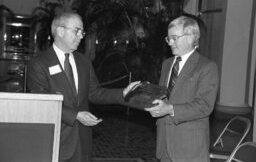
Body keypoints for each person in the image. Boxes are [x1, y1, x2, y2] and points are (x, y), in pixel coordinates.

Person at [27, 12, 139, 162]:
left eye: (82, 32)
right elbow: (42, 104)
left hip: (82, 141)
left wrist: (122, 93)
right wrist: (76, 116)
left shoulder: (83, 61)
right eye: (77, 31)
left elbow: (95, 93)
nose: (81, 36)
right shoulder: (39, 63)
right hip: (54, 139)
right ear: (60, 31)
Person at [145, 15, 219, 162]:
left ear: (191, 37)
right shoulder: (167, 64)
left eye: (174, 38)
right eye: (168, 38)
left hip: (190, 148)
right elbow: (164, 97)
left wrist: (171, 109)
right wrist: (145, 93)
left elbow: (204, 106)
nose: (170, 43)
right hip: (164, 145)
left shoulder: (207, 67)